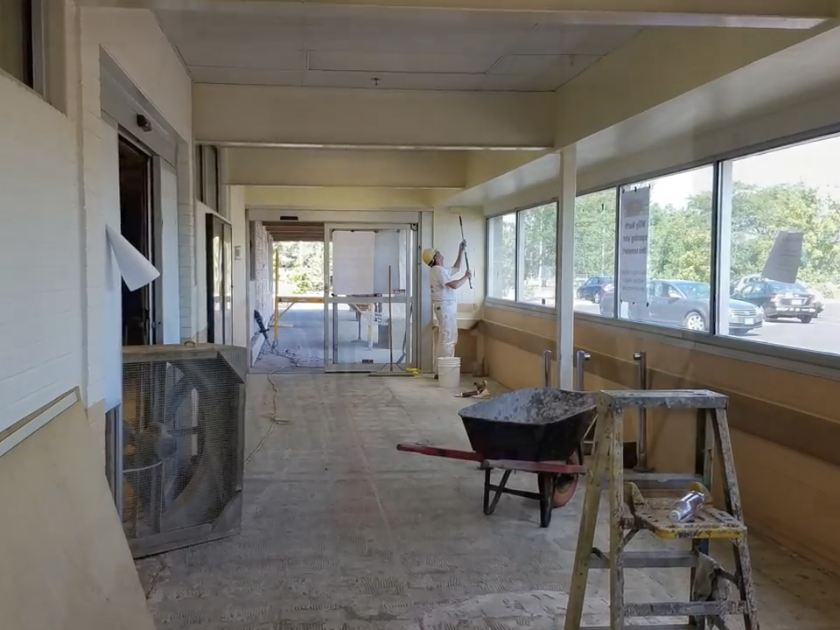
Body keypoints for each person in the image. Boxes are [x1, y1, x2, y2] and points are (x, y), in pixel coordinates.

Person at [422, 241, 472, 378]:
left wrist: (460, 250)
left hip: (445, 309)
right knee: (447, 339)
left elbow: (456, 268)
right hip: (445, 309)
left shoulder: (439, 270)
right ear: (435, 258)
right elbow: (454, 285)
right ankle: (443, 371)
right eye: (439, 254)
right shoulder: (438, 271)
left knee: (446, 338)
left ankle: (441, 370)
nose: (442, 255)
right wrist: (466, 277)